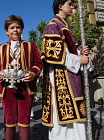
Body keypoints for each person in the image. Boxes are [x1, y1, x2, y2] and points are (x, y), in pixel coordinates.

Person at [41, 0, 92, 139]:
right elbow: (53, 54)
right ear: (60, 6)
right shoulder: (53, 25)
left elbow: (69, 51)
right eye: (70, 3)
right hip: (61, 80)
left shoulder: (65, 27)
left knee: (75, 123)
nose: (73, 6)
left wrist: (80, 51)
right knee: (63, 124)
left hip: (71, 77)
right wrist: (79, 59)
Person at [0, 14, 43, 140]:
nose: (15, 30)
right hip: (6, 88)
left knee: (24, 120)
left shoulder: (30, 45)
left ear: (22, 29)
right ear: (6, 31)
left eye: (18, 27)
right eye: (12, 27)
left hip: (26, 87)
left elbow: (38, 62)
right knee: (9, 120)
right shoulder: (0, 48)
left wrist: (32, 74)